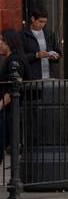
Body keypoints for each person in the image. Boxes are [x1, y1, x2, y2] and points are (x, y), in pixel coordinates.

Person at [0, 29, 28, 170]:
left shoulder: (14, 60)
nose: (0, 43)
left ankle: (15, 179)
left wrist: (1, 104)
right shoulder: (10, 58)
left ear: (9, 42)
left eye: (2, 40)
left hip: (10, 109)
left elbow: (14, 89)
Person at [21, 9, 60, 80]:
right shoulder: (23, 35)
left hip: (50, 76)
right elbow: (20, 57)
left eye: (45, 22)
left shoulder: (49, 34)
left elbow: (57, 51)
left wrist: (56, 56)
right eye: (40, 21)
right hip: (33, 78)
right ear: (33, 19)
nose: (42, 24)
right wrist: (36, 55)